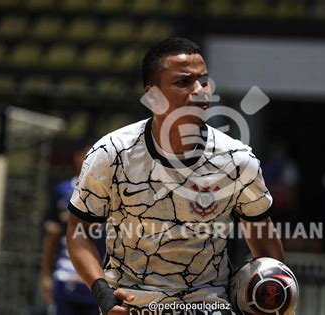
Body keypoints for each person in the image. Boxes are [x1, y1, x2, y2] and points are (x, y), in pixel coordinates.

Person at [66, 37, 286, 315]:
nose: (200, 91)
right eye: (184, 82)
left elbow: (265, 245)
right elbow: (78, 234)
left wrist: (274, 298)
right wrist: (104, 296)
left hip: (209, 307)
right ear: (153, 95)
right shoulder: (110, 153)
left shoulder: (238, 160)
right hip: (130, 306)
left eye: (203, 81)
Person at [41, 144, 105, 315]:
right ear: (77, 158)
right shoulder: (62, 190)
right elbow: (52, 234)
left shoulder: (108, 192)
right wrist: (46, 275)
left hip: (100, 279)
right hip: (65, 275)